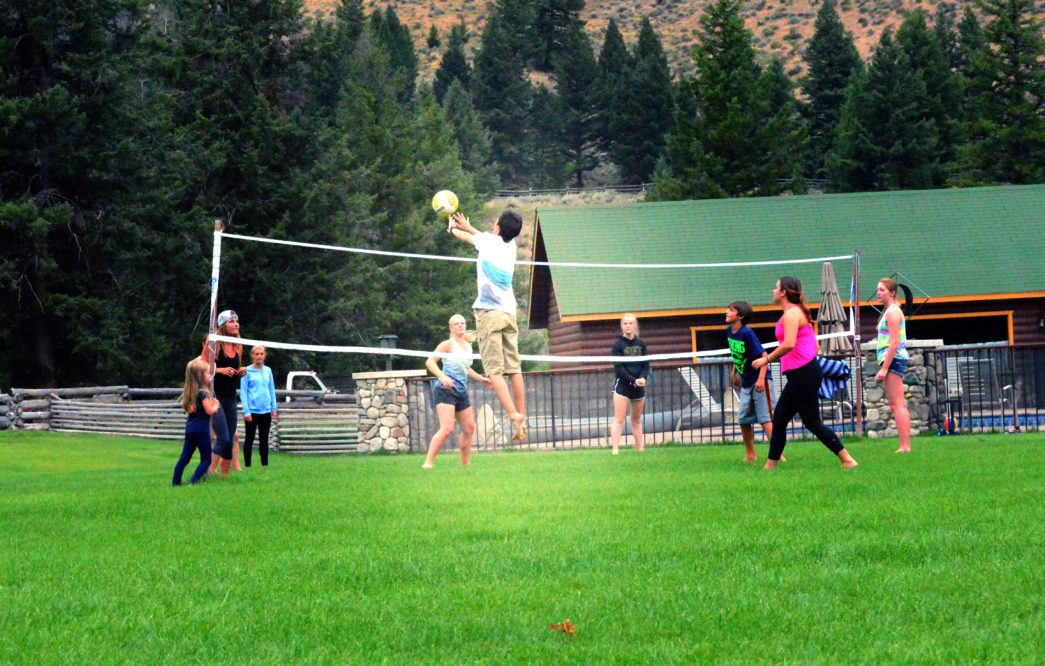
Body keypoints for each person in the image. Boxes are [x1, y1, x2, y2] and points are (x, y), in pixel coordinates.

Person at [752, 277, 858, 470]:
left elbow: (789, 343)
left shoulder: (792, 314)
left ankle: (847, 459)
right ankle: (769, 467)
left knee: (812, 422)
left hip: (803, 374)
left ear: (783, 292)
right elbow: (815, 346)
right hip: (799, 374)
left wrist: (766, 359)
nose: (773, 291)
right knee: (780, 419)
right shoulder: (794, 313)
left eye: (776, 288)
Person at [448, 209, 527, 442]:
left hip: (489, 314)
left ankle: (513, 416)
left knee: (494, 371)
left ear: (499, 228)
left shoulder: (487, 242)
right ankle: (523, 416)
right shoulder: (509, 246)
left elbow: (469, 238)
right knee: (514, 369)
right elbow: (481, 237)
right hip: (509, 314)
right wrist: (467, 225)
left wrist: (453, 228)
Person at [423, 314, 492, 469]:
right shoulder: (447, 344)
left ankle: (465, 465)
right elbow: (429, 362)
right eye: (457, 323)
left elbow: (465, 368)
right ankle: (428, 463)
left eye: (463, 323)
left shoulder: (468, 346)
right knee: (447, 428)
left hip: (461, 391)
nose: (461, 325)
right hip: (445, 389)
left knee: (469, 428)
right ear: (451, 328)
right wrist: (442, 376)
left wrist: (481, 378)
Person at [726, 301, 775, 462]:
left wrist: (761, 379)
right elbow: (738, 355)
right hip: (746, 382)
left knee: (765, 419)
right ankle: (750, 454)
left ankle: (777, 454)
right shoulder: (730, 332)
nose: (726, 312)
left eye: (730, 310)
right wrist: (734, 373)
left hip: (759, 380)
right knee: (744, 420)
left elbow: (764, 357)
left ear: (740, 316)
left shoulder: (747, 333)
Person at [207, 309, 246, 476]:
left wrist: (240, 371)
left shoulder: (238, 345)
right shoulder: (214, 343)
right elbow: (204, 368)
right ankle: (208, 471)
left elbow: (236, 368)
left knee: (230, 439)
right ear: (222, 325)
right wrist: (220, 370)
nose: (236, 324)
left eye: (236, 321)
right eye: (231, 321)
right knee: (222, 438)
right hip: (216, 396)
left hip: (231, 396)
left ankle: (224, 477)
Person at [875, 278, 912, 452]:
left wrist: (884, 368)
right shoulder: (889, 311)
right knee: (897, 404)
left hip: (894, 359)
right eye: (878, 290)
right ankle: (904, 445)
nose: (878, 293)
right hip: (892, 359)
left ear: (892, 292)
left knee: (897, 404)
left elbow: (894, 342)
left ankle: (905, 446)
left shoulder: (893, 313)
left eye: (882, 290)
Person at [173, 358, 218, 486]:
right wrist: (216, 405)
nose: (210, 375)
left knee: (184, 458)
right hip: (202, 430)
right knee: (206, 459)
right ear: (200, 376)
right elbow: (209, 411)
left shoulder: (190, 393)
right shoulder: (203, 393)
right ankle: (193, 482)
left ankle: (176, 483)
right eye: (208, 373)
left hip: (190, 429)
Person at [609, 313, 649, 455]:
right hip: (623, 385)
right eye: (625, 323)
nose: (628, 326)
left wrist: (642, 378)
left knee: (636, 420)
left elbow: (646, 365)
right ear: (622, 325)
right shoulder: (618, 345)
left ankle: (640, 450)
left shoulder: (641, 344)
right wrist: (633, 380)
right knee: (619, 418)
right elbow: (619, 368)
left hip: (639, 385)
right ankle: (615, 450)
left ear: (635, 325)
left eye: (630, 323)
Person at [240, 345, 278, 467]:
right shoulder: (246, 371)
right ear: (252, 355)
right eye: (257, 354)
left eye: (261, 354)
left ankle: (264, 464)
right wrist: (246, 412)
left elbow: (271, 389)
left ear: (264, 355)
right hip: (252, 411)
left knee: (264, 439)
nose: (259, 356)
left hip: (266, 410)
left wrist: (274, 408)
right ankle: (247, 465)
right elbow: (243, 392)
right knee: (249, 439)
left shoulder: (268, 371)